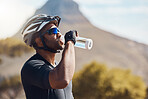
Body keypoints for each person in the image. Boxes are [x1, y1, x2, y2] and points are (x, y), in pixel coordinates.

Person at [21, 14, 77, 99]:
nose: (59, 34)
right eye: (53, 31)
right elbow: (62, 80)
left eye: (58, 30)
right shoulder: (31, 67)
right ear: (39, 41)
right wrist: (70, 43)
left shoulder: (60, 67)